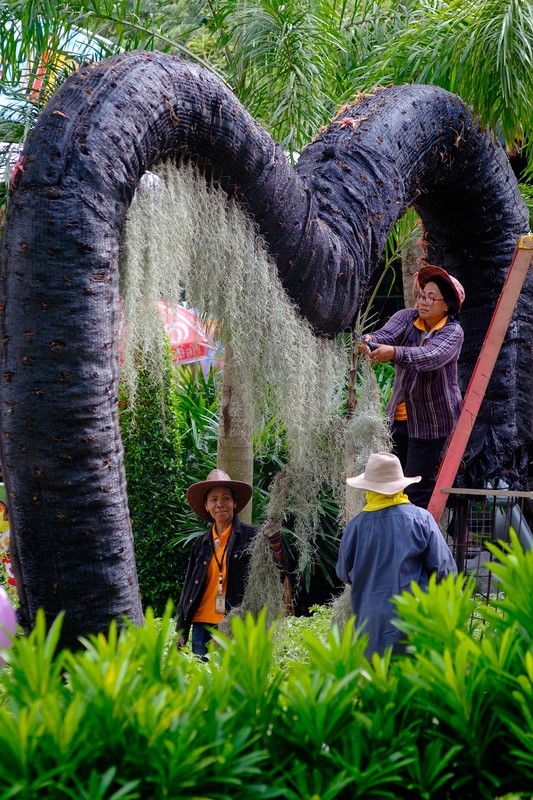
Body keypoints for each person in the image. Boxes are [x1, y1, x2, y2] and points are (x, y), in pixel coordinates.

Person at [360, 264, 465, 508]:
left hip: (432, 424)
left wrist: (394, 353)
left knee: (416, 491)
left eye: (432, 297)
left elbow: (430, 357)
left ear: (446, 305)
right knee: (391, 485)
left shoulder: (452, 332)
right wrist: (369, 340)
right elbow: (386, 335)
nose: (424, 301)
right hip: (398, 420)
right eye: (421, 295)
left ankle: (414, 541)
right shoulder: (407, 318)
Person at [336, 452, 457, 658]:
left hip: (371, 628)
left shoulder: (354, 527)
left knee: (379, 686)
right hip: (414, 623)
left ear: (368, 488)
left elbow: (343, 573)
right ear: (401, 486)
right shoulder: (421, 520)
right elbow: (447, 572)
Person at [176, 469, 257, 659]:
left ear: (234, 503)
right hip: (201, 624)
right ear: (206, 505)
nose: (220, 504)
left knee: (232, 679)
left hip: (234, 623)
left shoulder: (252, 537)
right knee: (202, 682)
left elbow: (278, 570)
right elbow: (189, 586)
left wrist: (276, 544)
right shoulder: (201, 543)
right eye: (213, 499)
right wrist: (182, 629)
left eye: (226, 498)